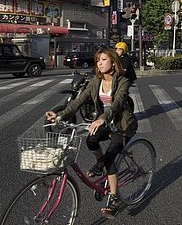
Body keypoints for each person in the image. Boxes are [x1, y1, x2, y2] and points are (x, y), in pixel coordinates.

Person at [45, 47, 137, 218]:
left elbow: (117, 103)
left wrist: (102, 118)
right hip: (105, 122)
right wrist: (60, 114)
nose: (99, 63)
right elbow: (79, 100)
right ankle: (100, 162)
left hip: (122, 125)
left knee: (111, 159)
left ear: (113, 62)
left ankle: (114, 198)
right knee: (90, 141)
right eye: (97, 61)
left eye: (103, 60)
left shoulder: (122, 81)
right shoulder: (96, 81)